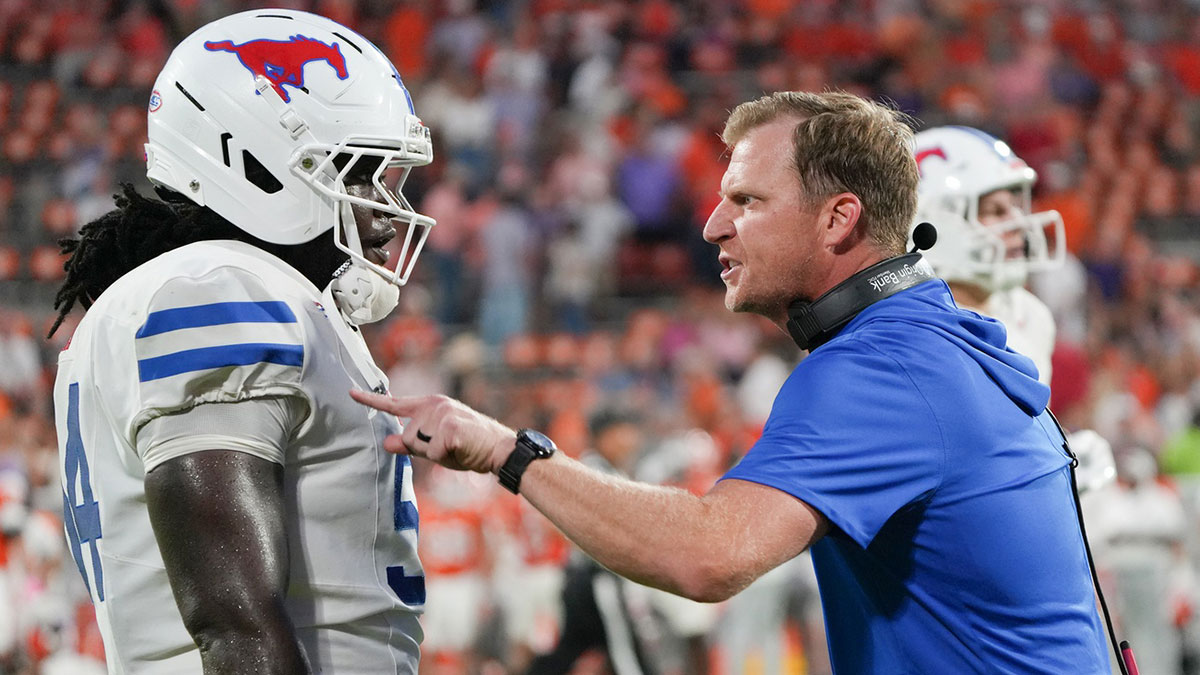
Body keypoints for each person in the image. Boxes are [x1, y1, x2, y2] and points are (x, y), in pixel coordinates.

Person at [352, 91, 1111, 672]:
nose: (713, 224)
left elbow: (709, 555)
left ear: (839, 219)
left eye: (747, 200)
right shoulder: (934, 333)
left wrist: (503, 451)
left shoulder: (882, 366)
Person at [51, 9, 435, 673]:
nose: (385, 209)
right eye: (360, 175)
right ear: (258, 163)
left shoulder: (230, 291)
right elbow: (235, 627)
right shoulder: (217, 289)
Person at [912, 126, 1116, 493]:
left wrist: (1062, 450)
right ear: (933, 220)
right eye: (994, 210)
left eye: (1016, 206)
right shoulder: (903, 327)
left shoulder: (1028, 314)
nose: (1017, 224)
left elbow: (1015, 434)